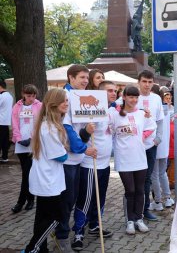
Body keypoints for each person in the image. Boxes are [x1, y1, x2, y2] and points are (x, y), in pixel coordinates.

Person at [71, 81, 117, 251]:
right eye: (109, 90)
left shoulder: (111, 111)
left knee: (101, 197)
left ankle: (94, 225)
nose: (114, 93)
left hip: (105, 164)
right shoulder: (86, 112)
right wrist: (86, 131)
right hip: (90, 164)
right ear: (99, 93)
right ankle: (78, 232)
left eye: (115, 90)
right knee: (86, 198)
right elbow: (77, 138)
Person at [55, 64, 97, 252]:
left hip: (78, 159)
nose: (85, 81)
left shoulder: (80, 97)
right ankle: (61, 236)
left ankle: (62, 231)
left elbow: (81, 130)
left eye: (87, 78)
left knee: (73, 199)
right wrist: (82, 147)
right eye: (81, 77)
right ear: (71, 78)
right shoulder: (65, 97)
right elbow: (67, 128)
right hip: (67, 161)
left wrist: (87, 134)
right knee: (66, 201)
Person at [23, 88, 69, 253]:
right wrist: (66, 150)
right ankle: (32, 248)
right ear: (53, 103)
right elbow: (61, 156)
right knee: (55, 217)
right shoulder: (49, 128)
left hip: (45, 177)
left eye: (67, 101)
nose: (66, 104)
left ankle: (40, 248)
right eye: (63, 100)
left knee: (42, 216)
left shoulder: (46, 124)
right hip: (48, 180)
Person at [109, 85, 156, 234]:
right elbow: (108, 129)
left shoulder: (142, 114)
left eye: (136, 97)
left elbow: (151, 126)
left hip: (140, 158)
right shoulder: (114, 113)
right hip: (123, 159)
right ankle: (130, 220)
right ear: (124, 97)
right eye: (130, 97)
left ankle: (139, 219)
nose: (134, 100)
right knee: (130, 190)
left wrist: (142, 136)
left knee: (140, 190)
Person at [137, 70, 165, 221]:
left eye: (150, 82)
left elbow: (160, 120)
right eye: (144, 81)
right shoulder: (132, 97)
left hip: (151, 145)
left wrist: (158, 138)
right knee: (135, 179)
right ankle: (133, 212)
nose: (147, 85)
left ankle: (145, 208)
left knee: (147, 178)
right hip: (134, 146)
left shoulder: (156, 99)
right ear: (139, 82)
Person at [11, 84, 42, 213]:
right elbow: (14, 123)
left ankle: (21, 202)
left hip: (32, 143)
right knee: (26, 173)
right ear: (23, 94)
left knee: (27, 173)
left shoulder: (39, 105)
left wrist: (31, 138)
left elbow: (39, 123)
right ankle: (30, 199)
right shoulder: (17, 106)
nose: (31, 98)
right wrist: (18, 139)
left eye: (33, 95)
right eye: (29, 95)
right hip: (21, 143)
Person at [149, 90, 175, 211]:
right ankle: (168, 198)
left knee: (155, 174)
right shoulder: (169, 110)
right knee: (162, 173)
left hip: (155, 144)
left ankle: (158, 201)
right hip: (164, 146)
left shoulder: (156, 111)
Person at [0, 80, 13, 163]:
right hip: (6, 122)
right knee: (4, 141)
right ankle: (5, 157)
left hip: (0, 121)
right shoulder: (9, 96)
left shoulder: (1, 96)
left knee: (1, 141)